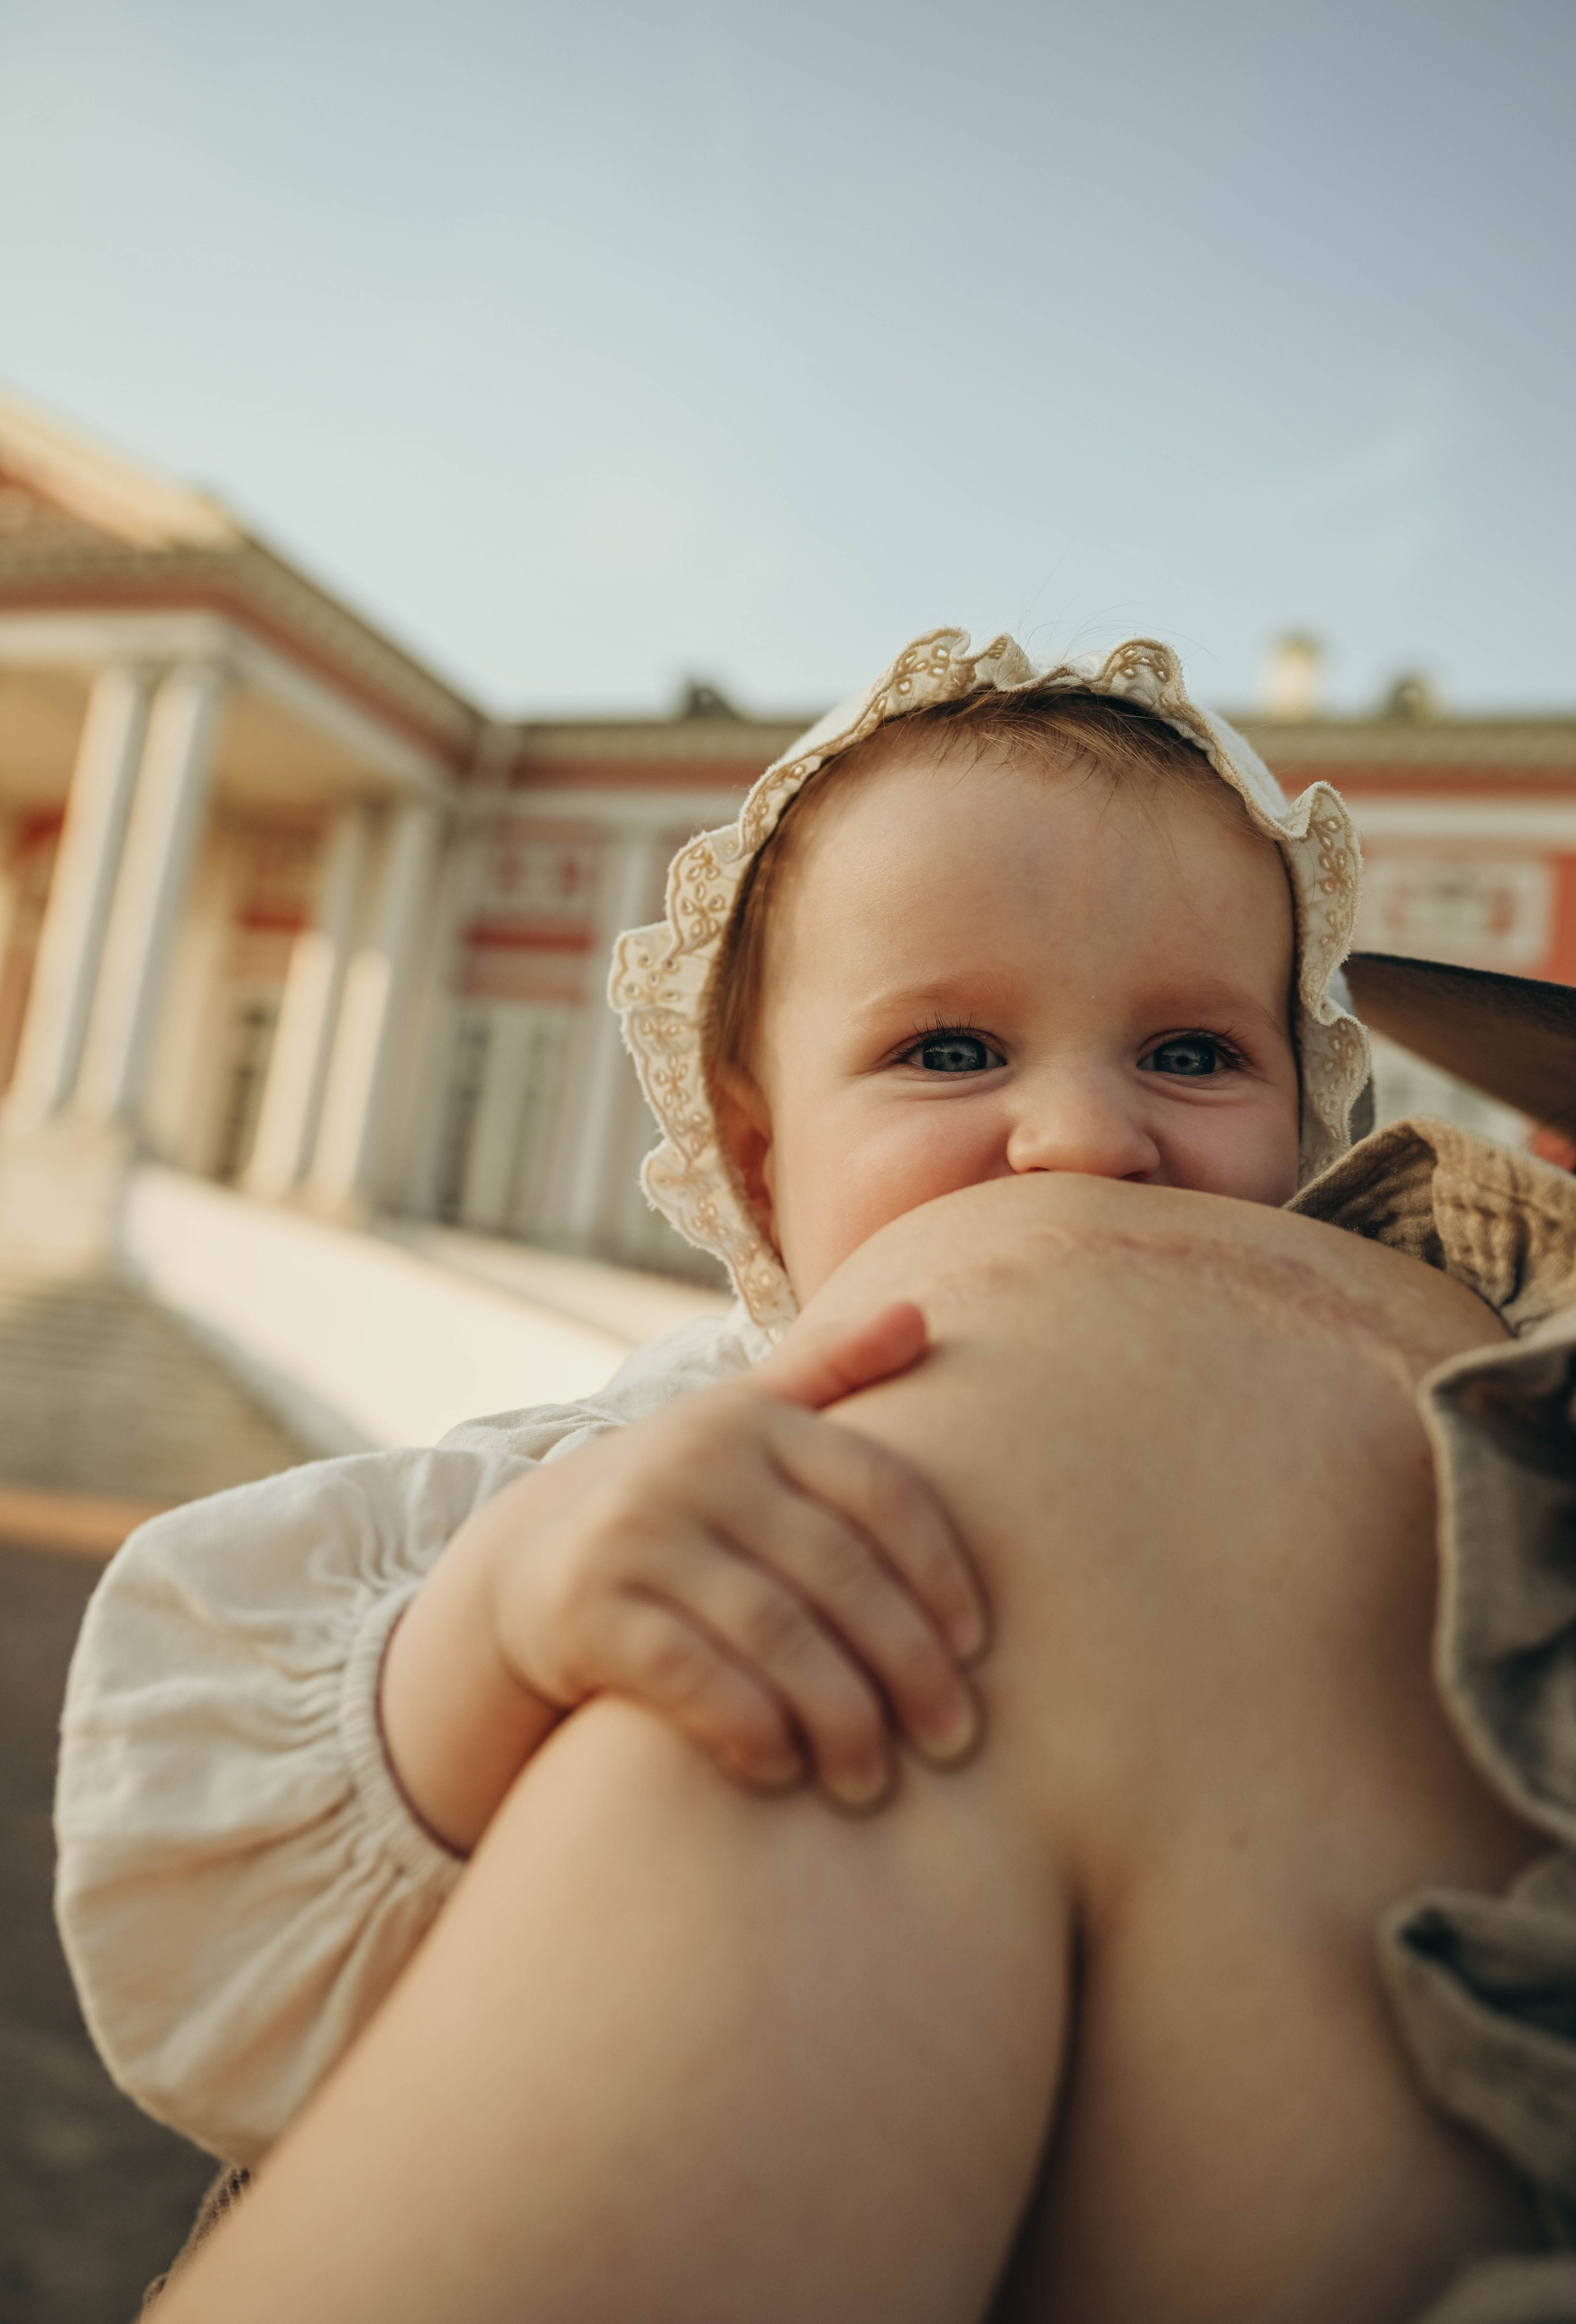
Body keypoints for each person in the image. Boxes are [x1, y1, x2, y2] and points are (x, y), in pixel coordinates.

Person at [54, 631, 1576, 2313]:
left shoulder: (1374, 1430)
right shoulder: (634, 1445)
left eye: (1194, 1054)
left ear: (1312, 1110)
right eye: (950, 1052)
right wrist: (498, 1618)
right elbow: (250, 1846)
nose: (1083, 1136)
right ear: (762, 1155)